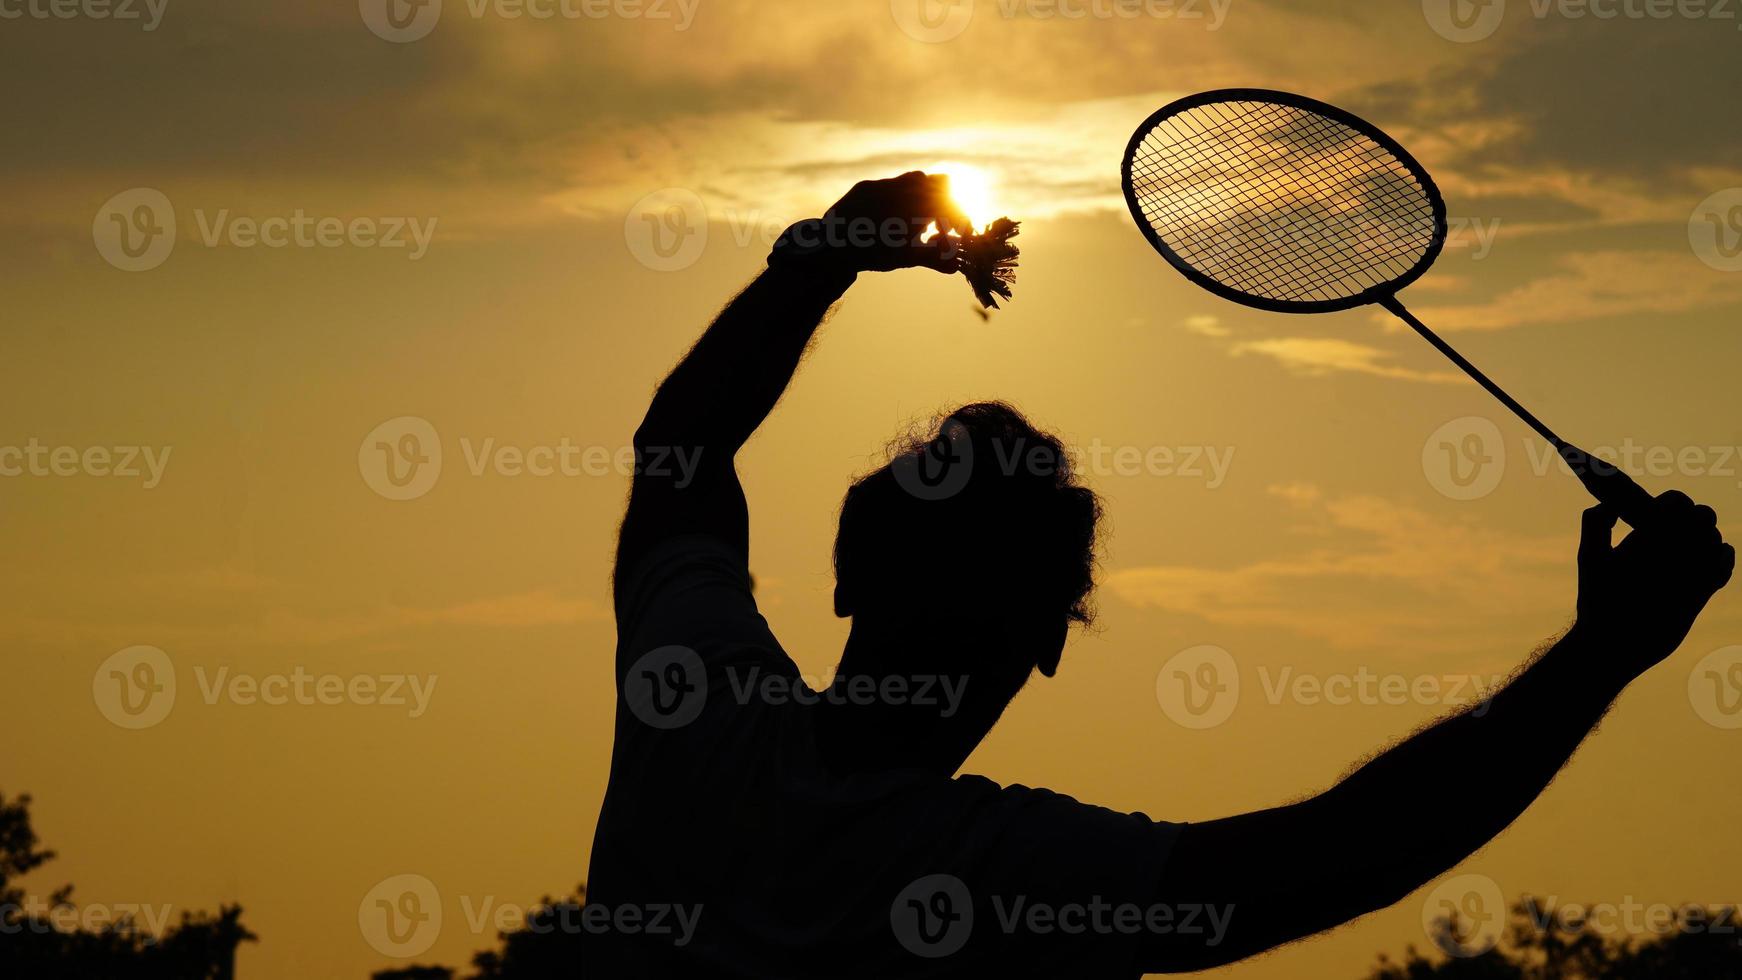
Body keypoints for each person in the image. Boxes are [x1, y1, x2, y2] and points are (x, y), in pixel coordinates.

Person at [585, 172, 1736, 976]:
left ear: (843, 576)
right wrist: (1601, 651)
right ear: (1048, 636)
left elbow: (681, 445)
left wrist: (827, 249)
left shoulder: (693, 710)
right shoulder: (1003, 869)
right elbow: (1344, 853)